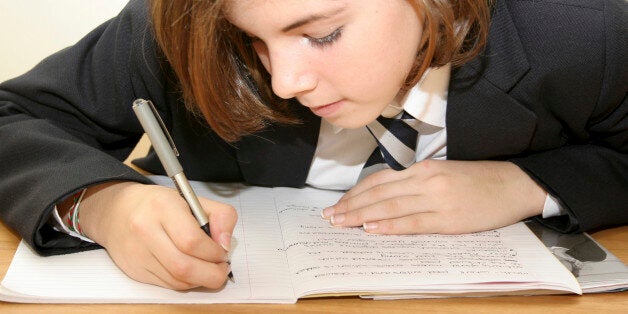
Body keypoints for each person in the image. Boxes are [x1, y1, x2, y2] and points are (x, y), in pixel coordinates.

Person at [0, 0, 625, 291]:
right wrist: (100, 204)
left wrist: (526, 184)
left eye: (323, 34)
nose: (284, 82)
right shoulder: (176, 32)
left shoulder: (583, 33)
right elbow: (12, 114)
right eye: (256, 43)